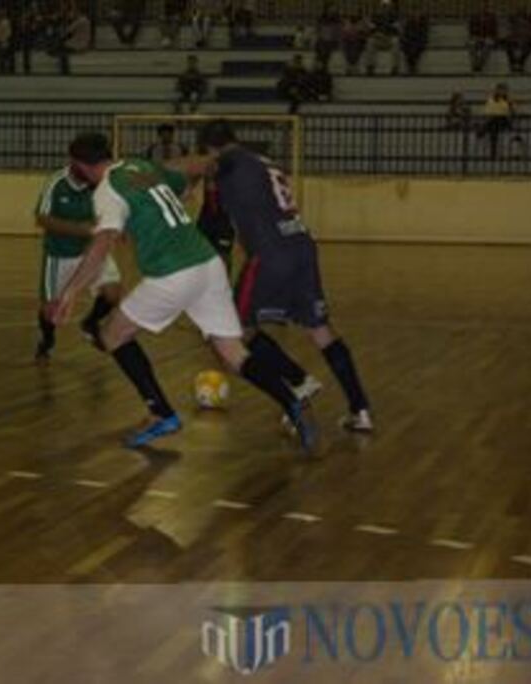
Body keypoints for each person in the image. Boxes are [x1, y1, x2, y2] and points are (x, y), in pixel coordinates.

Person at [50, 133, 316, 449]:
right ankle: (290, 400)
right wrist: (200, 176)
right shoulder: (140, 167)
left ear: (79, 164)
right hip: (207, 263)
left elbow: (103, 241)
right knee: (233, 352)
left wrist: (70, 292)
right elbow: (189, 170)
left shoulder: (107, 190)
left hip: (173, 273)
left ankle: (161, 414)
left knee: (112, 335)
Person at [192, 119, 374, 433]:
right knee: (321, 329)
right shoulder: (261, 160)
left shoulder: (228, 161)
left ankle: (298, 383)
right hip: (301, 243)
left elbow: (201, 179)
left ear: (211, 149)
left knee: (233, 332)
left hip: (270, 251)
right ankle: (360, 409)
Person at [34, 164, 123, 364]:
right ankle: (47, 340)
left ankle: (90, 322)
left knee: (113, 293)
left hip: (93, 249)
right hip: (60, 254)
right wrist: (78, 229)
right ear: (77, 162)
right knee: (51, 311)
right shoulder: (57, 183)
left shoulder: (101, 182)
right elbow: (41, 218)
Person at [477, 82, 519, 160]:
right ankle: (493, 152)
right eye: (499, 90)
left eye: (503, 90)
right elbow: (487, 111)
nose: (501, 92)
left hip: (504, 120)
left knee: (495, 121)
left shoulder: (508, 101)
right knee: (493, 125)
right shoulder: (491, 100)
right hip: (493, 120)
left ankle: (483, 130)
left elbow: (513, 112)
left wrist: (510, 106)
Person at [363, 0, 401, 76]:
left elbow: (396, 30)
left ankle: (395, 67)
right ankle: (370, 66)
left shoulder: (394, 17)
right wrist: (377, 33)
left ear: (390, 7)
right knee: (370, 42)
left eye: (387, 6)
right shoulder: (375, 16)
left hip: (389, 39)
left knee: (396, 42)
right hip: (378, 39)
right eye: (383, 6)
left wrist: (389, 33)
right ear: (381, 7)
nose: (385, 8)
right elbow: (371, 29)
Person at [468, 3, 498, 73]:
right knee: (471, 44)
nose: (482, 9)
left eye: (484, 7)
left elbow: (494, 30)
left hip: (488, 37)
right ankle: (475, 62)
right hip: (477, 37)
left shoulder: (492, 17)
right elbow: (471, 29)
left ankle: (480, 64)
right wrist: (475, 36)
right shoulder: (474, 17)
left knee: (487, 44)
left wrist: (492, 37)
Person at [400, 10, 429, 75]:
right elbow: (405, 35)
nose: (415, 17)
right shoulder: (408, 24)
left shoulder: (422, 25)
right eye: (413, 15)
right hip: (409, 42)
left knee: (415, 48)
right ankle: (411, 66)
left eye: (417, 15)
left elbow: (424, 36)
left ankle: (412, 66)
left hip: (419, 42)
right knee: (408, 48)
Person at [314, 5, 342, 70]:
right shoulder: (321, 19)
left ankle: (323, 65)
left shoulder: (337, 21)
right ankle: (320, 64)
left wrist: (334, 37)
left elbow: (338, 32)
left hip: (332, 41)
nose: (332, 12)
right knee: (321, 46)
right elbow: (318, 30)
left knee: (326, 48)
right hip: (323, 40)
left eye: (333, 10)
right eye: (331, 10)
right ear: (326, 10)